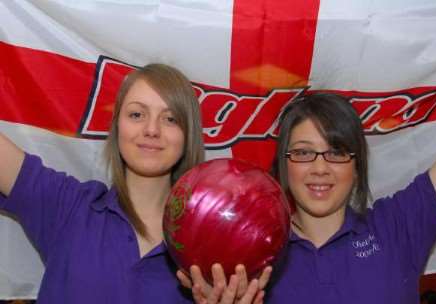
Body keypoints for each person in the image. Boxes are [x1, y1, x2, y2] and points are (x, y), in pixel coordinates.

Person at [0, 63, 261, 304]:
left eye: (170, 119)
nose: (151, 129)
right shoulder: (68, 207)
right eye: (137, 114)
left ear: (188, 135)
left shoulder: (214, 243)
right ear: (117, 128)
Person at [267, 93, 436, 303]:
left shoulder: (395, 227)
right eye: (303, 153)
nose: (320, 168)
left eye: (336, 152)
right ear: (284, 164)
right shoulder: (258, 254)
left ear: (356, 167)